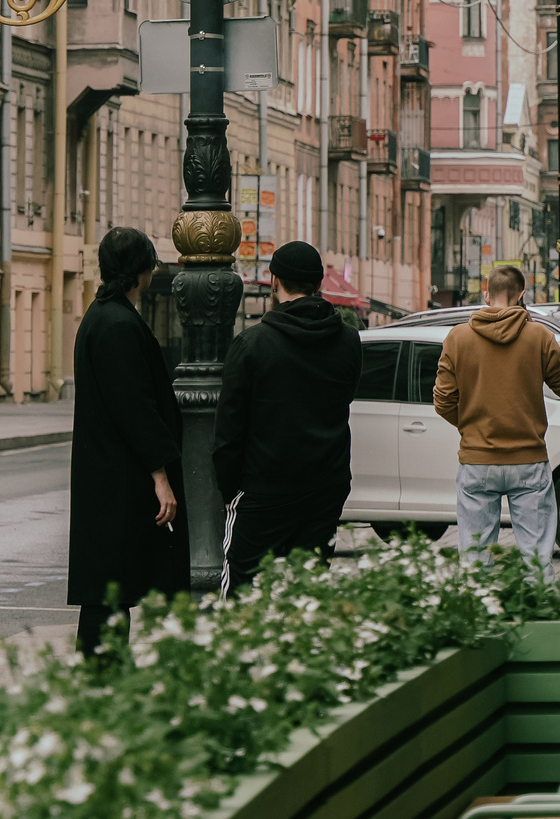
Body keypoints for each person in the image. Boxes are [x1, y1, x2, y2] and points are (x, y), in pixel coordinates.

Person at [66, 227, 188, 655]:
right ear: (140, 270)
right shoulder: (118, 323)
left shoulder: (103, 315)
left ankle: (101, 670)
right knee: (113, 582)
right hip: (118, 477)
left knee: (109, 585)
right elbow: (133, 406)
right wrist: (161, 475)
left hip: (106, 473)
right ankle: (102, 673)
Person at [215, 241, 362, 591]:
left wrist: (229, 488)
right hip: (324, 487)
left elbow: (229, 429)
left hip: (264, 489)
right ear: (318, 283)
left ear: (274, 280)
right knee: (306, 595)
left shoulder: (253, 344)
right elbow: (343, 399)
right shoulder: (349, 341)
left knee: (242, 593)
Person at [432, 263, 560, 562]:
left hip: (477, 458)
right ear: (522, 295)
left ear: (486, 295)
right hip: (529, 459)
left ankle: (480, 607)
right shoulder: (540, 337)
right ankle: (538, 609)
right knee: (537, 559)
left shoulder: (457, 338)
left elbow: (443, 401)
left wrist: (472, 426)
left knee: (475, 559)